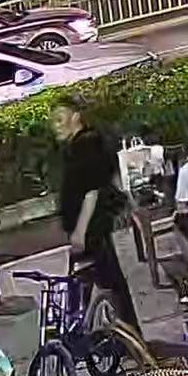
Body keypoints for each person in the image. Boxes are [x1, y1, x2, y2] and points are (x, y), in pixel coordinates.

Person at [48, 100, 136, 326]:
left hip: (92, 228)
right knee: (94, 283)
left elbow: (91, 190)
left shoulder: (86, 145)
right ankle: (120, 331)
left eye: (59, 119)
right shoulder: (80, 145)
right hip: (90, 227)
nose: (55, 126)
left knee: (106, 284)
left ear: (76, 117)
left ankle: (126, 332)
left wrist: (80, 231)